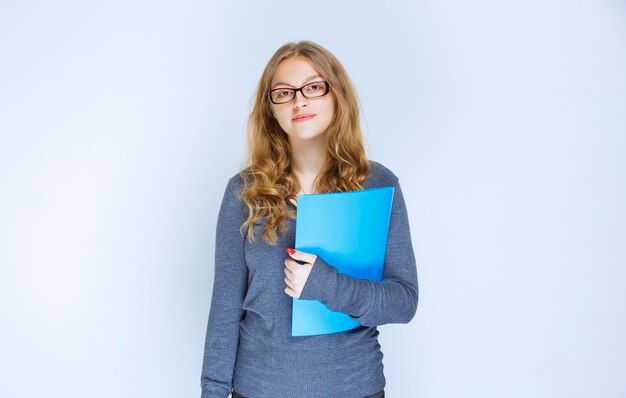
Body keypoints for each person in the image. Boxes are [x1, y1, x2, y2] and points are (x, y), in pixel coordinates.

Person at [200, 40, 418, 398]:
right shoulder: (244, 192)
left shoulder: (378, 185)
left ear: (337, 95)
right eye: (283, 93)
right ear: (270, 109)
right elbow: (224, 312)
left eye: (314, 87)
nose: (299, 100)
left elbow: (403, 301)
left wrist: (325, 284)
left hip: (354, 388)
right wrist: (212, 392)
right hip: (258, 389)